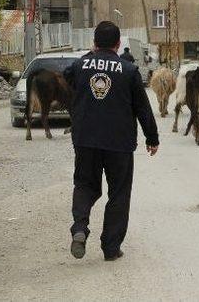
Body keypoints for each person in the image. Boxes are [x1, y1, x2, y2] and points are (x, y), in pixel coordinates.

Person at [64, 21, 159, 261]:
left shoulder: (80, 65)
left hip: (85, 139)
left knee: (85, 185)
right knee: (118, 193)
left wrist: (91, 55)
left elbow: (68, 76)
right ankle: (110, 247)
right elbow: (142, 107)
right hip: (119, 143)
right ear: (118, 44)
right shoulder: (128, 70)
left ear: (94, 43)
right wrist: (152, 137)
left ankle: (79, 228)